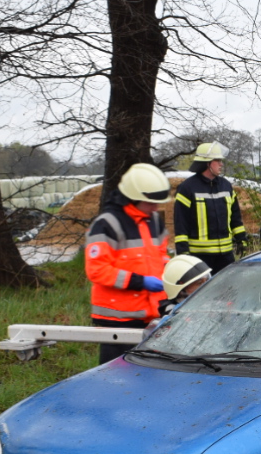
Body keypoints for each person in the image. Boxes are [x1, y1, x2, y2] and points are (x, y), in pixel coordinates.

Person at [86, 163, 172, 365]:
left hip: (151, 313)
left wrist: (174, 275)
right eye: (150, 202)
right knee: (114, 376)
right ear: (133, 198)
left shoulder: (155, 221)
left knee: (148, 373)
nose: (156, 207)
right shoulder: (107, 224)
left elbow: (161, 257)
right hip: (117, 319)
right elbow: (97, 270)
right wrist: (140, 281)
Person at [173, 142, 249, 273]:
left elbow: (235, 217)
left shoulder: (226, 186)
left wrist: (241, 239)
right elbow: (181, 223)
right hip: (199, 257)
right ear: (207, 163)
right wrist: (183, 253)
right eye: (218, 160)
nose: (221, 164)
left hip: (225, 256)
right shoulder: (187, 188)